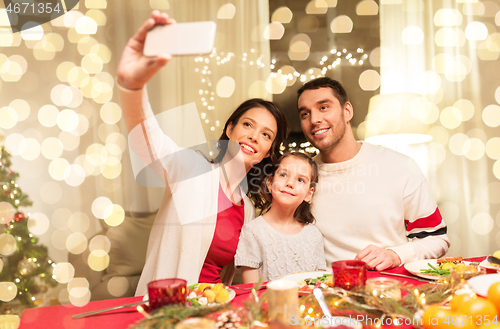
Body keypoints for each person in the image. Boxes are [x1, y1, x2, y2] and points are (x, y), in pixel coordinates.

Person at [116, 11, 288, 296]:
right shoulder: (191, 169)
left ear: (266, 153)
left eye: (266, 135)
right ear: (230, 129)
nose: (254, 136)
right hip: (170, 312)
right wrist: (132, 87)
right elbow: (150, 142)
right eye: (248, 125)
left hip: (216, 310)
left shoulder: (246, 209)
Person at [296, 77, 450, 271]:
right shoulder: (302, 178)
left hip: (392, 288)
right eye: (304, 114)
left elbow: (437, 237)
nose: (314, 119)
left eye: (324, 107)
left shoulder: (400, 166)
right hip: (328, 293)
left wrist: (395, 255)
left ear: (347, 111)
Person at [234, 152, 326, 282]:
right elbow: (251, 291)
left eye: (300, 180)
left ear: (308, 194)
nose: (289, 183)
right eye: (283, 175)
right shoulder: (252, 232)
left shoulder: (314, 235)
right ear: (270, 182)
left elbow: (320, 285)